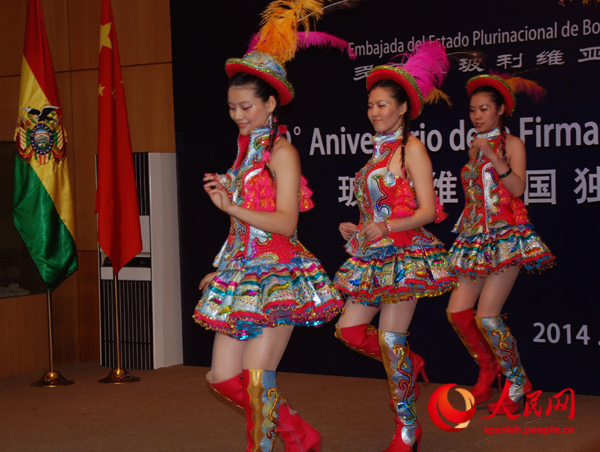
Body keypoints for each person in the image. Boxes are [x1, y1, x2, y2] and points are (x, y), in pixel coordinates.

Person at [192, 2, 354, 450]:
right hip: (242, 273)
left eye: (246, 107)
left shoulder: (282, 153)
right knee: (223, 377)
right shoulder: (243, 153)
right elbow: (240, 230)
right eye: (231, 108)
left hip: (280, 273)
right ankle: (297, 430)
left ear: (270, 103)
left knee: (258, 381)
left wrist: (232, 206)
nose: (239, 116)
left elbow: (284, 223)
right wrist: (223, 268)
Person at [333, 41, 456, 452]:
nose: (375, 112)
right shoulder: (373, 157)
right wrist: (360, 227)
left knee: (389, 339)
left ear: (403, 108)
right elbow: (375, 211)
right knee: (349, 331)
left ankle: (407, 429)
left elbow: (427, 211)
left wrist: (385, 225)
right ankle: (412, 364)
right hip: (375, 252)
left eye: (383, 105)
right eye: (371, 105)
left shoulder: (412, 149)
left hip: (407, 253)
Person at [446, 73, 555, 415]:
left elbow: (518, 189)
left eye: (484, 109)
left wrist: (495, 157)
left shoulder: (512, 144)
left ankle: (517, 380)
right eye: (473, 110)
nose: (477, 116)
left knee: (488, 317)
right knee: (457, 313)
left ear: (500, 111)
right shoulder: (473, 145)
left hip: (507, 238)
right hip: (474, 238)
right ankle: (487, 368)